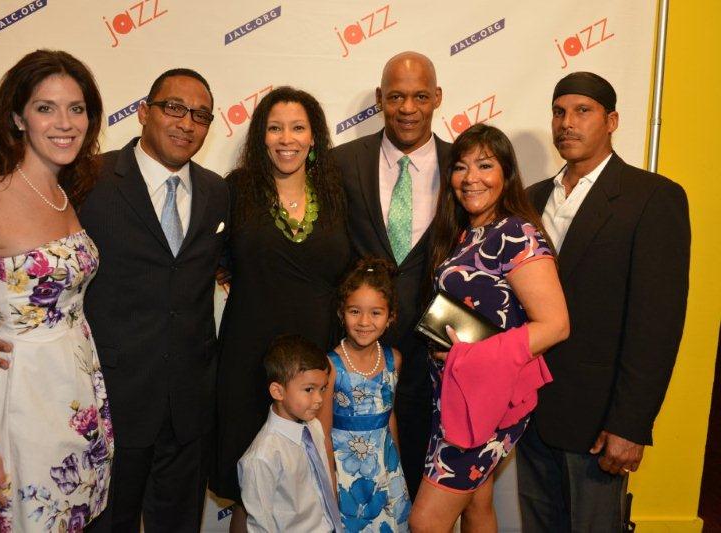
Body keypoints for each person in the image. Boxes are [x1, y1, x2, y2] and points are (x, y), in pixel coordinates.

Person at [0, 67, 230, 532]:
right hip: (106, 402)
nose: (186, 122)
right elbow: (12, 250)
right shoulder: (85, 178)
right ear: (144, 113)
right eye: (174, 108)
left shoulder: (216, 191)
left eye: (201, 115)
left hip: (189, 408)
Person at [0, 49, 112, 531]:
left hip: (75, 392)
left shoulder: (64, 194)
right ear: (17, 118)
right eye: (45, 107)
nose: (65, 122)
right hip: (20, 400)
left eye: (76, 109)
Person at [518, 72, 691, 532]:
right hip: (528, 413)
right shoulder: (532, 199)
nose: (567, 123)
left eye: (582, 111)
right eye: (559, 112)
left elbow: (656, 324)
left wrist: (631, 424)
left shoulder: (652, 198)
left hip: (598, 423)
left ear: (612, 120)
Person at [408, 124, 570, 533]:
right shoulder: (467, 232)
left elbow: (555, 325)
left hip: (487, 401)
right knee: (478, 505)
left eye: (484, 165)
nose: (470, 178)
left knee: (426, 522)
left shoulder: (516, 233)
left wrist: (474, 355)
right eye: (460, 168)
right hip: (458, 397)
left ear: (506, 173)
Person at [212, 86, 349, 530]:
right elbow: (207, 259)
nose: (285, 138)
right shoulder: (237, 190)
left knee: (314, 486)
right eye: (274, 128)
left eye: (297, 127)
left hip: (317, 362)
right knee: (250, 496)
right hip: (250, 361)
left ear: (314, 137)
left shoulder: (336, 194)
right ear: (260, 136)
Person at [331, 51, 451, 499]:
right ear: (380, 98)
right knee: (354, 489)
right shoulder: (339, 162)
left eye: (420, 96)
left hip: (434, 356)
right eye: (396, 96)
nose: (408, 108)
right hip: (355, 355)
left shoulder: (465, 167)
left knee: (426, 491)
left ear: (437, 97)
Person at [319, 257, 411, 532]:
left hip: (387, 472)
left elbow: (389, 416)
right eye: (355, 311)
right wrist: (330, 484)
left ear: (390, 316)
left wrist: (398, 471)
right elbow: (322, 431)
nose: (364, 322)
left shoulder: (394, 359)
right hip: (346, 478)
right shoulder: (330, 366)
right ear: (341, 313)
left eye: (376, 313)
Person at [238, 334, 344, 533]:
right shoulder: (262, 457)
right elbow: (261, 526)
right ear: (278, 392)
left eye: (323, 389)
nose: (319, 399)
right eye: (309, 389)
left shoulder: (314, 427)